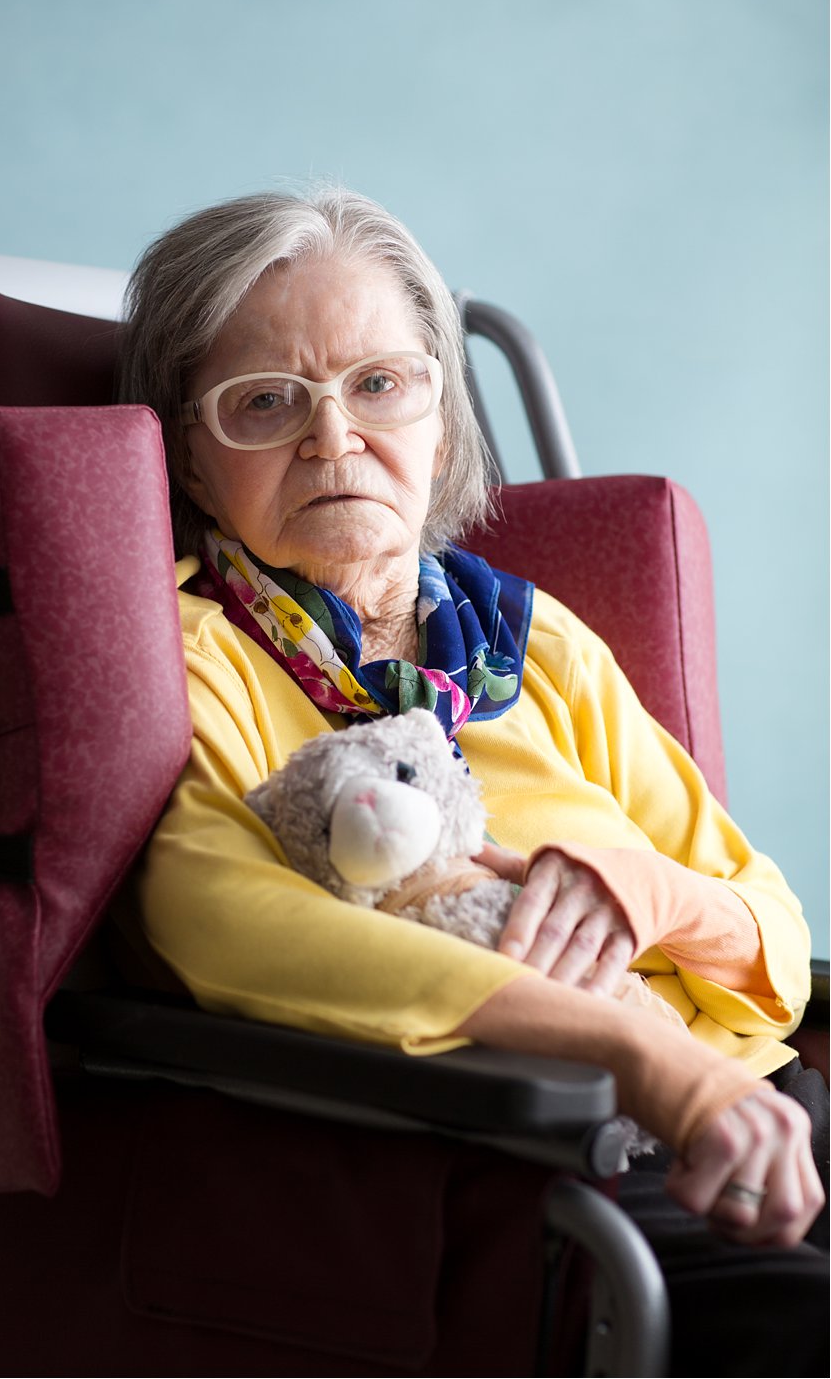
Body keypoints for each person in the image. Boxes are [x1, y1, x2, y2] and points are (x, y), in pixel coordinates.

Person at [116, 187, 827, 1373]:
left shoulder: (534, 643)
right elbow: (219, 915)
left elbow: (772, 929)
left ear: (441, 420)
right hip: (564, 1149)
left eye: (379, 384)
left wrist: (646, 892)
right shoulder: (191, 656)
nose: (333, 438)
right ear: (191, 453)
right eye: (265, 402)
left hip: (765, 1095)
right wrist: (642, 1056)